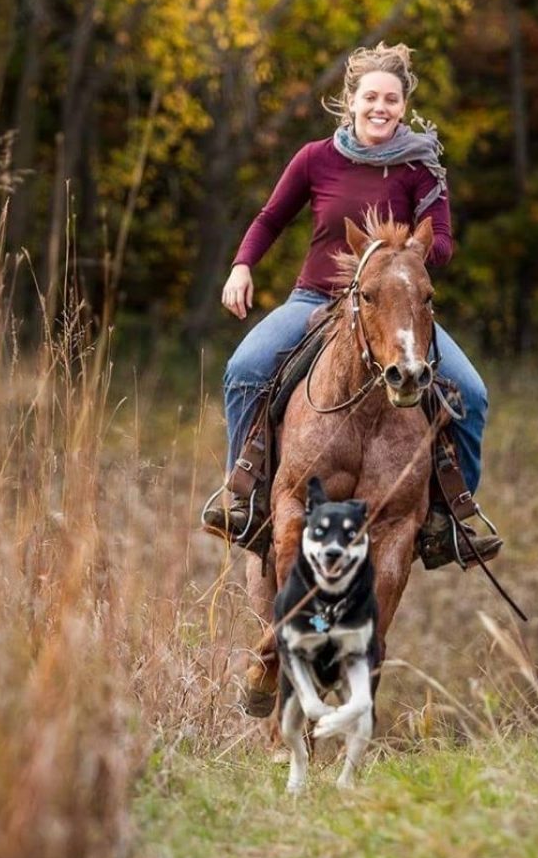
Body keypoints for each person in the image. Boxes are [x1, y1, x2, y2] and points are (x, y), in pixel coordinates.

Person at [202, 42, 501, 568]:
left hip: (392, 307)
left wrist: (408, 250)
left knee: (471, 394)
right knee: (244, 368)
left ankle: (448, 518)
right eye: (370, 98)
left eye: (390, 99)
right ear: (351, 101)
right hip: (315, 298)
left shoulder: (423, 168)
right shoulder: (316, 158)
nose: (380, 108)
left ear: (403, 105)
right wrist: (241, 266)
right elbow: (270, 218)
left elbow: (446, 246)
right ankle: (244, 497)